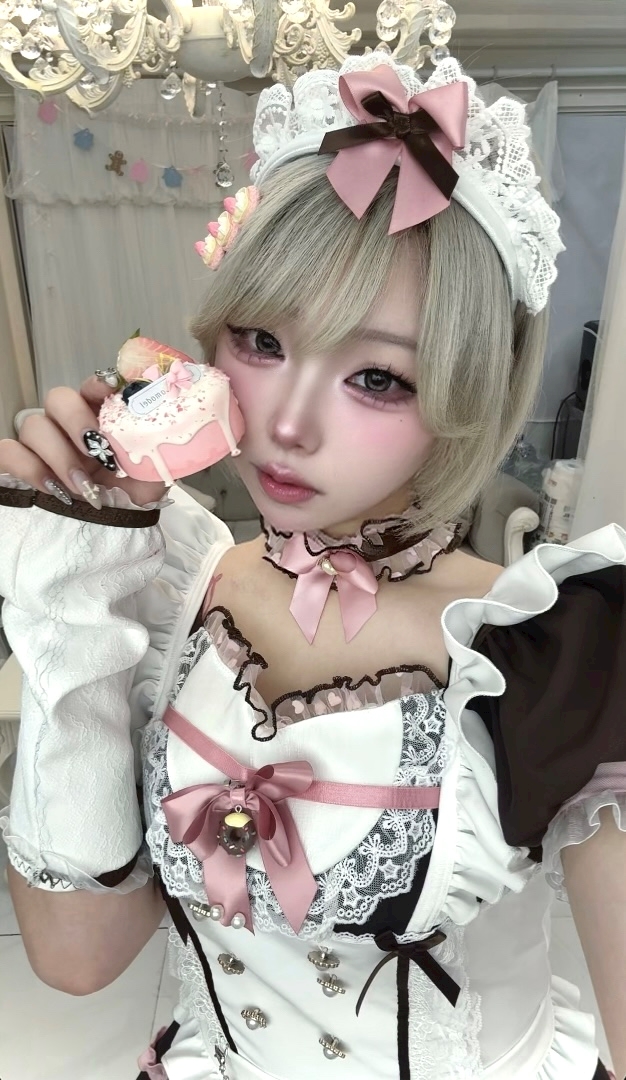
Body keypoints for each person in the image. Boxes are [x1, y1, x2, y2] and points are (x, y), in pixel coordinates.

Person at [0, 52, 624, 1080]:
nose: (287, 424)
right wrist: (74, 577)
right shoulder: (172, 583)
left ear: (462, 394)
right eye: (260, 339)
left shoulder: (553, 645)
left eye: (377, 377)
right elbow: (77, 959)